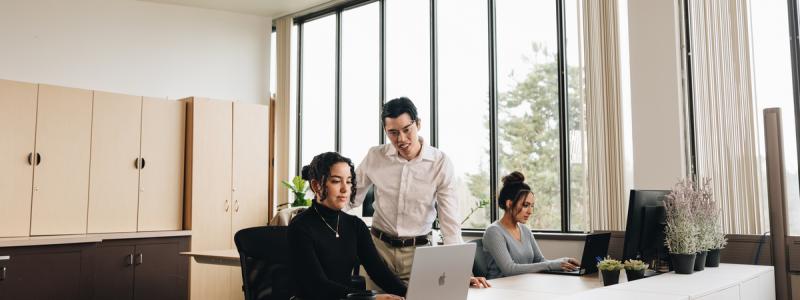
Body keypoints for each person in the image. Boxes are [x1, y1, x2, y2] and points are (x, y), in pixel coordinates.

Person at [346, 97, 490, 288]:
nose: (402, 139)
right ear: (386, 131)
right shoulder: (375, 157)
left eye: (407, 130)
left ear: (418, 124)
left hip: (419, 255)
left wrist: (461, 272)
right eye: (393, 133)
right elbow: (349, 198)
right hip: (378, 252)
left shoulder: (440, 163)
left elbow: (450, 223)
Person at [288, 152, 406, 300]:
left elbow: (378, 270)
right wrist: (371, 298)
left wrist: (408, 293)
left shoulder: (355, 225)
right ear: (316, 185)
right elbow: (317, 285)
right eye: (336, 181)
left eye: (349, 181)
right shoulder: (300, 226)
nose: (345, 189)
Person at [482, 171, 581, 279]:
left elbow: (540, 261)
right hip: (501, 290)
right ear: (509, 204)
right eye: (525, 205)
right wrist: (552, 265)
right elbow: (509, 269)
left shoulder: (525, 230)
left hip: (524, 286)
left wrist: (564, 261)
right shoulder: (494, 232)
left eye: (532, 206)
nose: (530, 211)